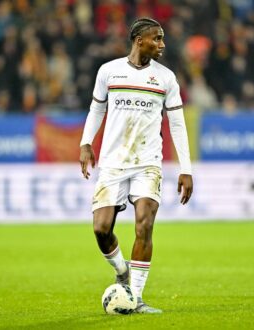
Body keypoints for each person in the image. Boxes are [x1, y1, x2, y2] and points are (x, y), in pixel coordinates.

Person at [79, 17, 193, 313]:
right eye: (157, 38)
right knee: (101, 229)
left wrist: (186, 168)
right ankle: (121, 271)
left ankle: (136, 297)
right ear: (139, 40)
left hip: (148, 162)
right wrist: (86, 142)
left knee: (144, 224)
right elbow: (96, 108)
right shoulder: (109, 71)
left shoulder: (166, 78)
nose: (162, 44)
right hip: (113, 162)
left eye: (163, 38)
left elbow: (177, 124)